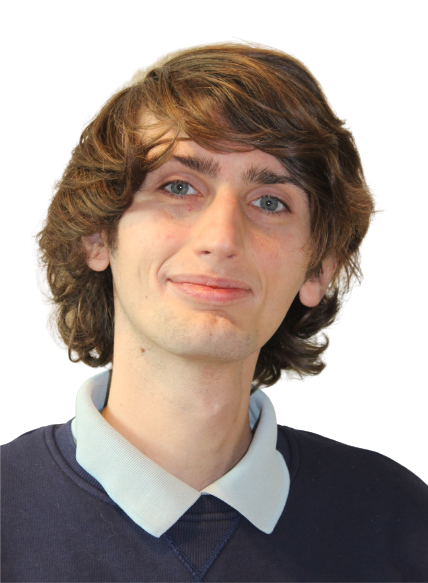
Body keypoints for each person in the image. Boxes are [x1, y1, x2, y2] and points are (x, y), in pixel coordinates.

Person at [3, 45, 427, 582]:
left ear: (319, 269)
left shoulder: (402, 526)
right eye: (178, 187)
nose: (222, 239)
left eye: (270, 201)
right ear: (98, 235)